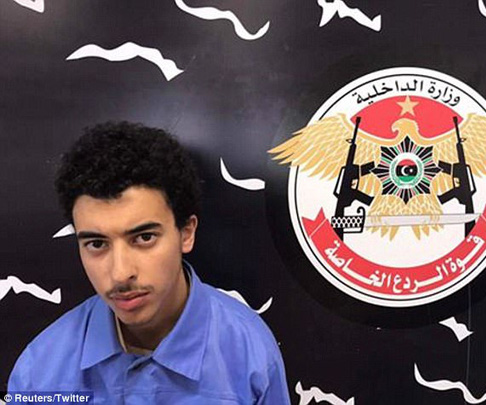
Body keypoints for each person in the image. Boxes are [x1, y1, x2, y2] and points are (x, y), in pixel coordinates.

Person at [8, 122, 291, 404]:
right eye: (97, 244)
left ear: (186, 233)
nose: (120, 273)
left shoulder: (251, 355)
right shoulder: (39, 371)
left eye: (144, 238)